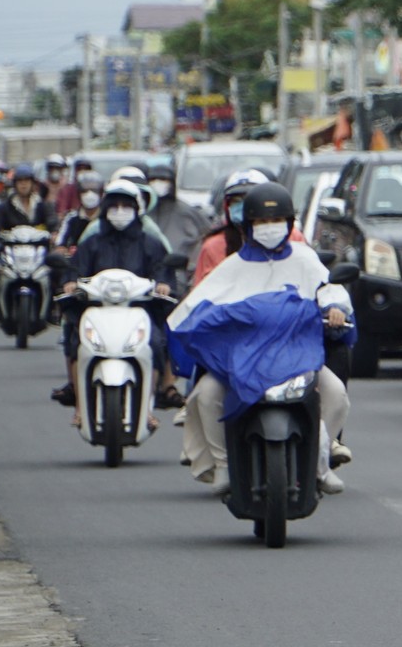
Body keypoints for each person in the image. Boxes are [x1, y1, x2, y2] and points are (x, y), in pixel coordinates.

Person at [168, 182, 351, 497]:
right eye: (261, 222)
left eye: (276, 221)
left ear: (289, 224)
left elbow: (328, 289)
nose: (269, 228)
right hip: (240, 359)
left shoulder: (305, 259)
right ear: (247, 226)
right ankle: (224, 465)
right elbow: (195, 306)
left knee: (335, 394)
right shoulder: (232, 267)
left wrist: (335, 308)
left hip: (297, 354)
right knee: (205, 395)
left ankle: (319, 464)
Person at [51, 182, 177, 408]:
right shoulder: (92, 242)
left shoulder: (150, 243)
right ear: (106, 209)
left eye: (126, 206)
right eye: (114, 205)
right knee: (76, 339)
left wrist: (163, 285)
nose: (120, 211)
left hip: (140, 312)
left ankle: (149, 403)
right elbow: (75, 269)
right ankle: (80, 404)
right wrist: (70, 283)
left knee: (157, 342)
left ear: (136, 209)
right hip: (97, 311)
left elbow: (163, 270)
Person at [0, 162, 58, 329]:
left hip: (38, 251)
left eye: (27, 180)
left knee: (57, 265)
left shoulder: (43, 205)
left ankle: (53, 309)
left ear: (33, 183)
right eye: (20, 181)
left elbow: (53, 222)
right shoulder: (4, 207)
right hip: (10, 251)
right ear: (14, 184)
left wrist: (54, 234)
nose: (23, 184)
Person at [191, 167, 291, 286]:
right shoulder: (214, 247)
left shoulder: (290, 235)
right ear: (227, 206)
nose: (243, 206)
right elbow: (203, 293)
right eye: (236, 200)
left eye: (248, 199)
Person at [144, 160, 210, 269]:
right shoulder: (144, 213)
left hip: (182, 273)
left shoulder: (187, 212)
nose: (157, 183)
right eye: (153, 180)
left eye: (163, 179)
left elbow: (205, 236)